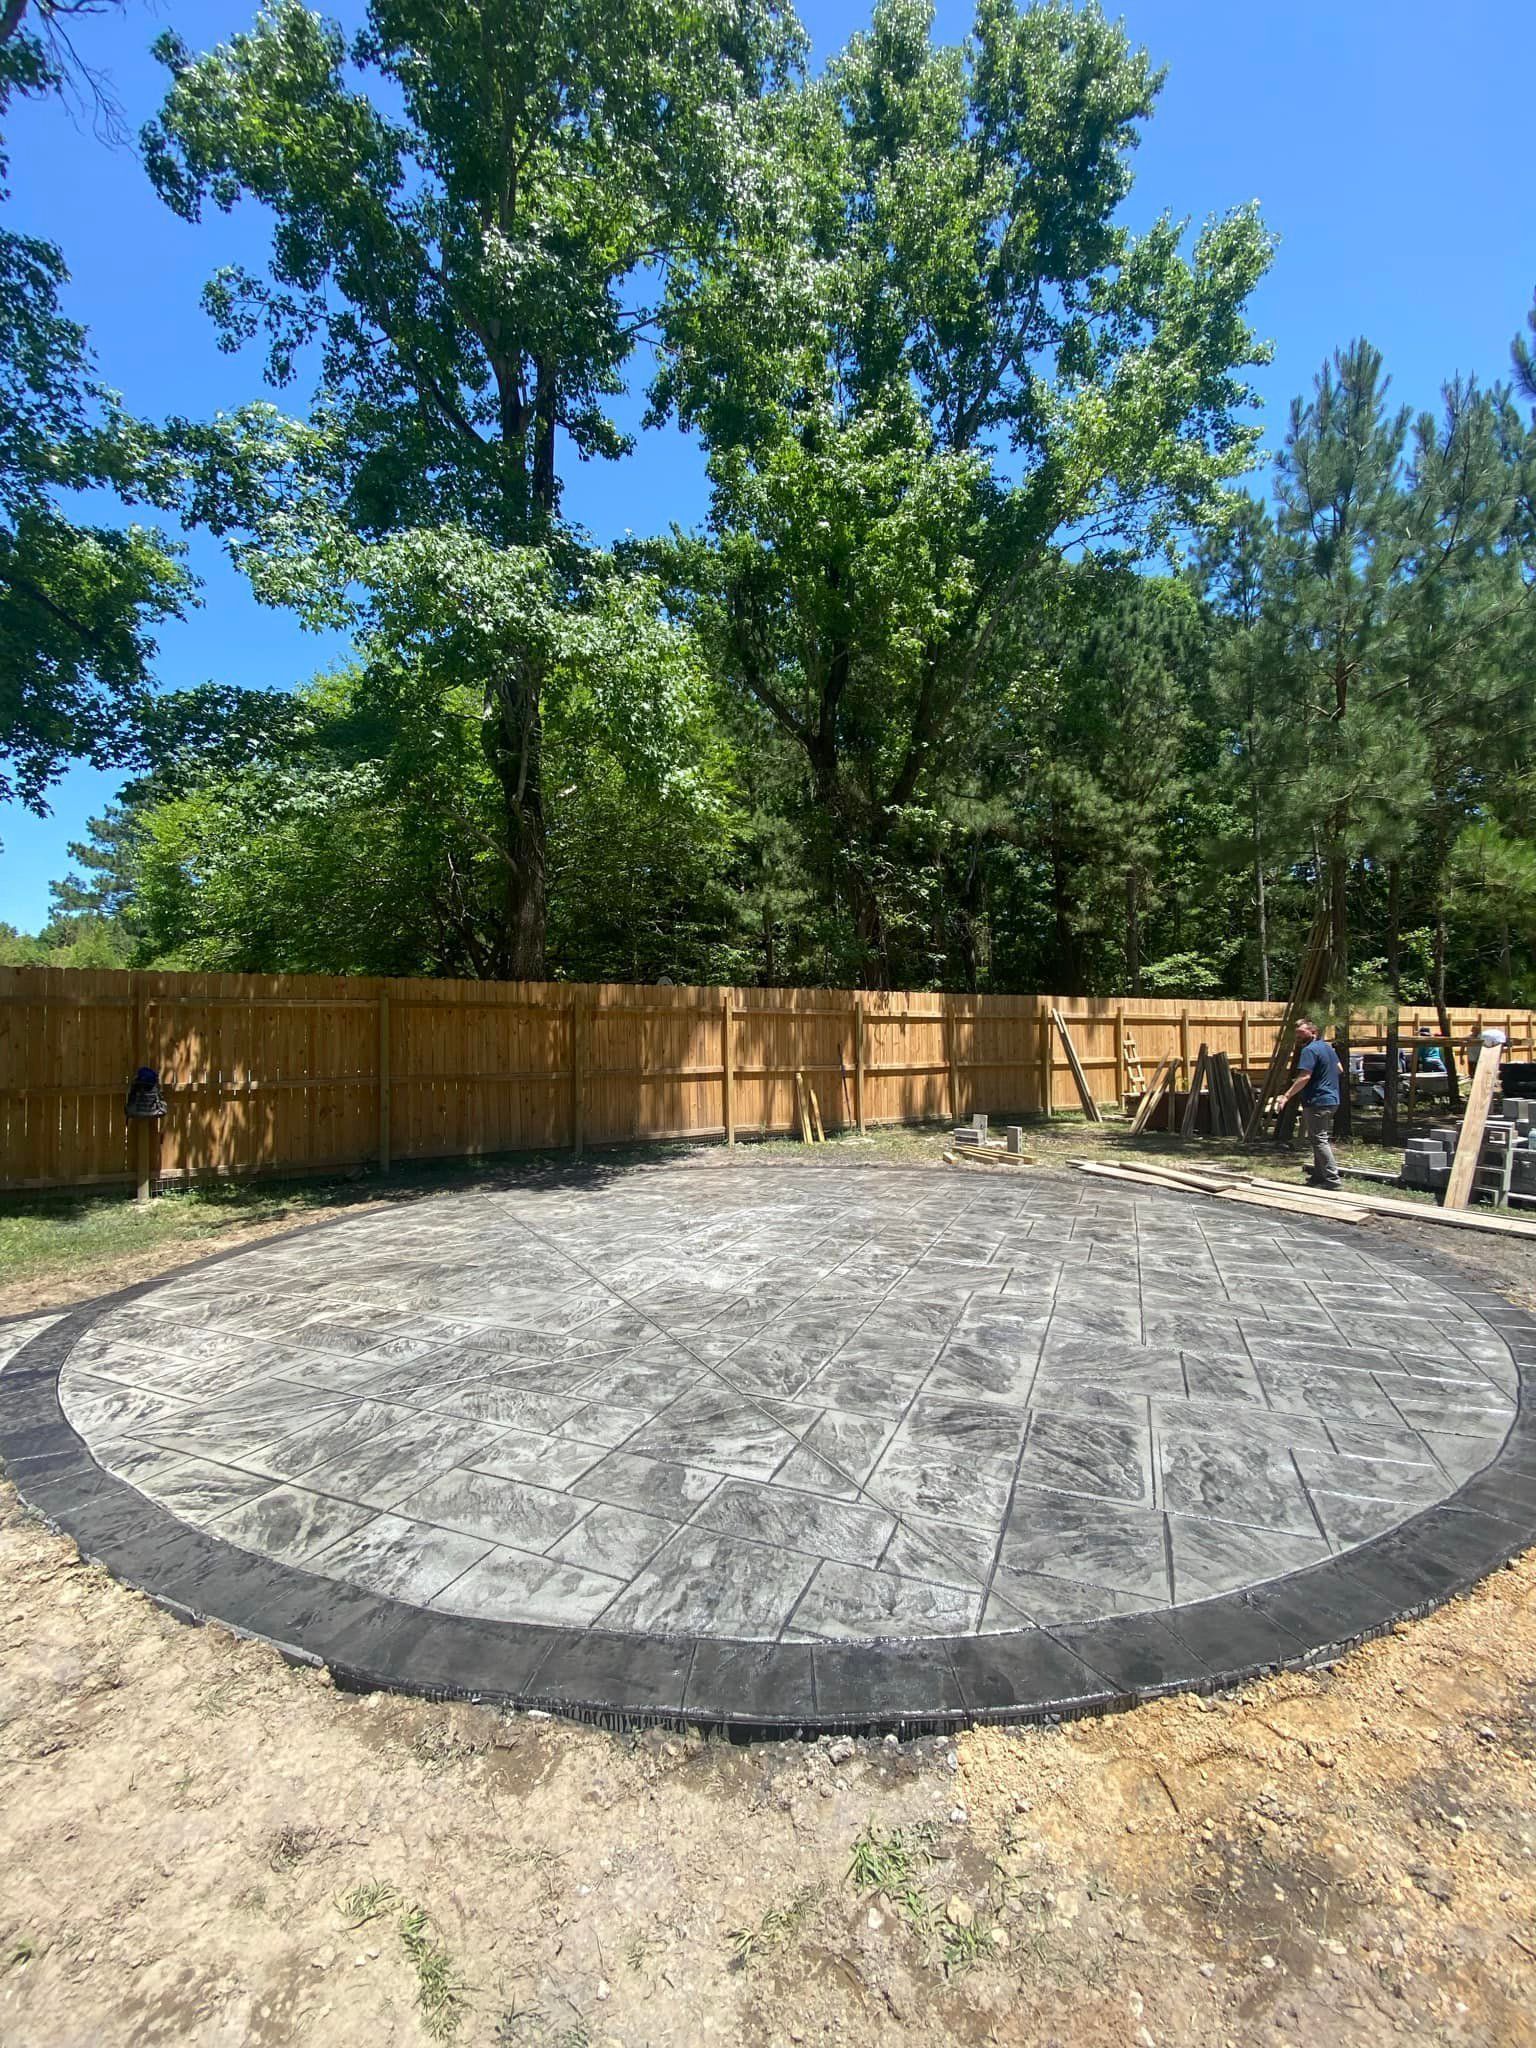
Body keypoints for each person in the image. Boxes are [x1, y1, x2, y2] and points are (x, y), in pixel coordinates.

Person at [1271, 1015, 1342, 1189]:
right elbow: (1339, 1069)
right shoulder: (1327, 1048)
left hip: (1318, 1100)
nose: (1298, 1036)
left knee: (1319, 1139)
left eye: (1301, 1033)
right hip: (1332, 1100)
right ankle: (1318, 1176)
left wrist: (1286, 1096)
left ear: (1313, 1032)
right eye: (1297, 1034)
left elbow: (1305, 1076)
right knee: (1317, 1138)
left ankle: (1332, 1179)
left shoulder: (1309, 1050)